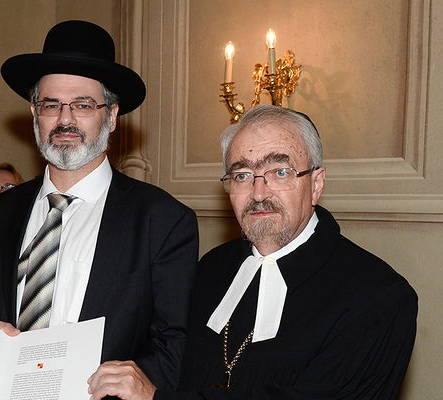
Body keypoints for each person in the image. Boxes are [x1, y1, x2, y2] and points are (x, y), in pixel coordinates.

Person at [87, 105, 418, 400]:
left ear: (316, 184)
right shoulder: (211, 268)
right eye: (242, 175)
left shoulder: (379, 298)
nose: (259, 193)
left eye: (280, 171)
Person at [0, 20, 199, 393]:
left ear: (111, 116)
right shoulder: (3, 210)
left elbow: (175, 338)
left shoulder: (163, 220)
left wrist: (142, 382)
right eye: (51, 105)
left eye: (83, 105)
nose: (65, 119)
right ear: (34, 114)